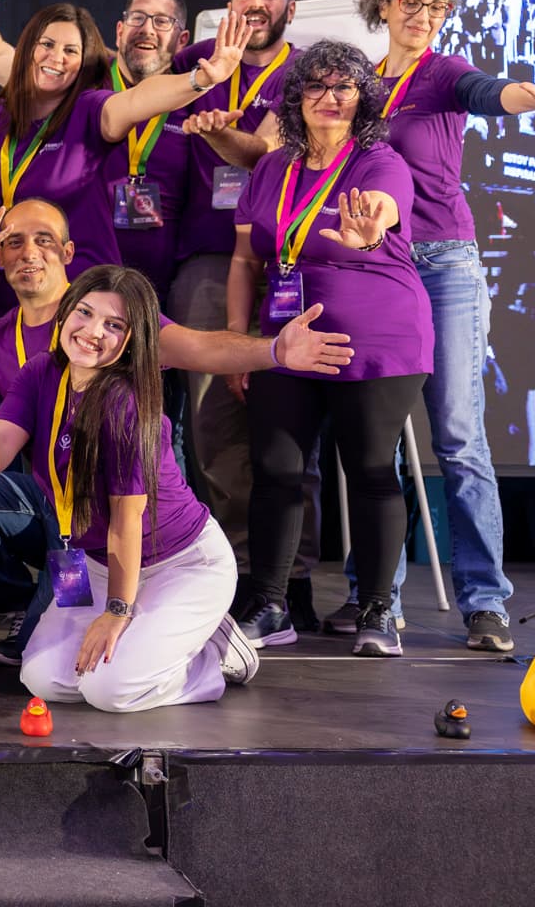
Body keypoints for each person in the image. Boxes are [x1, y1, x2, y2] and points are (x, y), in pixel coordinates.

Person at [0, 198, 354, 662]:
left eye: (43, 241)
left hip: (113, 512)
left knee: (72, 666)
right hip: (54, 508)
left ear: (67, 253)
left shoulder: (112, 318)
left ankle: (190, 627)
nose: (28, 253)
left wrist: (274, 353)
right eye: (13, 242)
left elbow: (203, 349)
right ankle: (24, 604)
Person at [341, 0, 535, 651]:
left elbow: (489, 93)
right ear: (383, 5)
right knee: (375, 440)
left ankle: (484, 602)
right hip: (375, 268)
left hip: (443, 263)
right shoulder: (354, 83)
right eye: (411, 3)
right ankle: (372, 594)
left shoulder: (443, 73)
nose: (423, 16)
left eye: (438, 6)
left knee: (457, 432)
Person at [0, 266, 257, 714]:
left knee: (111, 692)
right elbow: (1, 438)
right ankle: (159, 638)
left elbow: (126, 522)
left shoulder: (129, 404)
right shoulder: (41, 371)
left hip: (179, 564)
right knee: (42, 679)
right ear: (66, 312)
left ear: (133, 339)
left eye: (113, 325)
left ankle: (212, 656)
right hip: (94, 564)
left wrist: (118, 611)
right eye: (84, 313)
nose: (91, 331)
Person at [230, 42, 432, 657]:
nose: (329, 98)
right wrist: (243, 344)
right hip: (288, 341)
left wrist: (371, 230)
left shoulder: (379, 160)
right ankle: (270, 605)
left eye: (343, 87)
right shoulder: (271, 168)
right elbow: (245, 258)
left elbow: (385, 210)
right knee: (276, 471)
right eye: (314, 86)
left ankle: (377, 610)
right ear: (295, 99)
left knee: (370, 469)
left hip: (376, 337)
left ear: (362, 99)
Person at [167, 0, 316, 617]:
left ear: (291, 4)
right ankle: (236, 570)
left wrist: (223, 132)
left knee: (289, 421)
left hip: (289, 262)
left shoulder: (311, 71)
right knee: (215, 423)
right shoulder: (197, 60)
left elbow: (266, 155)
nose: (255, 2)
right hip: (206, 261)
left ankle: (293, 576)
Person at [0, 0, 244, 320]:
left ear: (84, 64)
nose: (56, 58)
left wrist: (200, 79)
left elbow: (137, 99)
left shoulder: (89, 110)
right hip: (4, 298)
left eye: (71, 51)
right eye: (47, 44)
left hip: (81, 301)